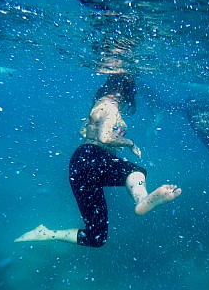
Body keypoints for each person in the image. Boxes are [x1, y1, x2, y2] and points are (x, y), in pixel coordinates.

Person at [15, 73, 181, 247]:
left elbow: (83, 131)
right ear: (126, 91)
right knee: (135, 172)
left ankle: (46, 233)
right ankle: (141, 199)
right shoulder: (111, 106)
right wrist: (130, 143)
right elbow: (105, 137)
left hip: (80, 164)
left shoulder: (99, 104)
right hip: (92, 156)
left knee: (97, 237)